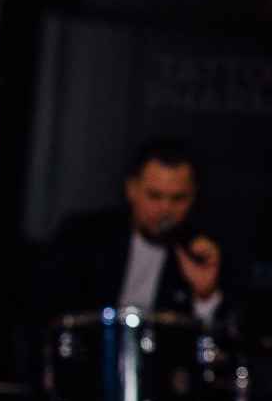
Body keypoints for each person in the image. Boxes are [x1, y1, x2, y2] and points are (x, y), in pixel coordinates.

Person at [39, 137, 227, 327]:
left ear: (193, 197)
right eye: (154, 196)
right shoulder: (84, 237)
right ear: (132, 189)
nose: (165, 209)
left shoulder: (201, 254)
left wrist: (205, 295)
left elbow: (220, 334)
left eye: (178, 199)